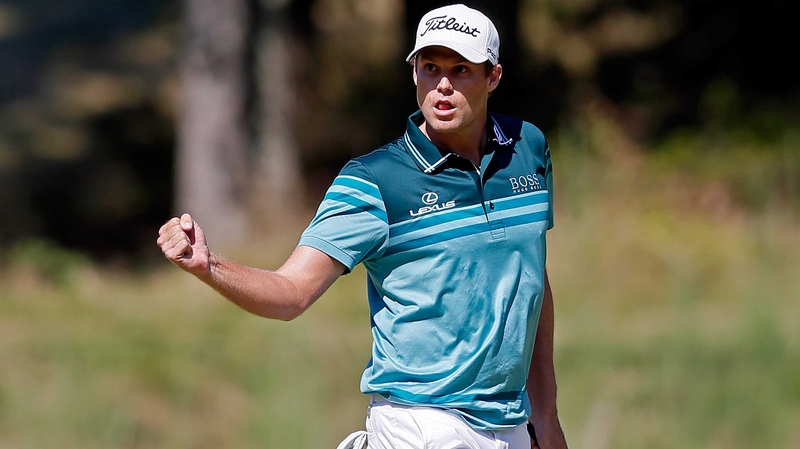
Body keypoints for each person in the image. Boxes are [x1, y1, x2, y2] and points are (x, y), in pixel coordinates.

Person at [158, 3, 568, 448]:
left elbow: (530, 282)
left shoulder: (527, 148)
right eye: (430, 67)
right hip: (424, 424)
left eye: (462, 70)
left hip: (510, 422)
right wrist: (208, 264)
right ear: (414, 73)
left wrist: (545, 416)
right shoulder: (374, 181)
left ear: (493, 77)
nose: (443, 86)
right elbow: (291, 294)